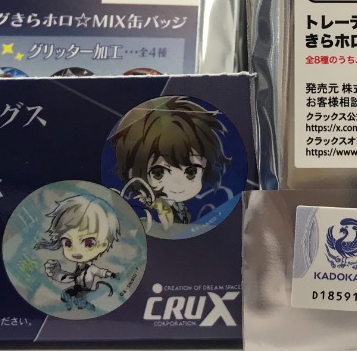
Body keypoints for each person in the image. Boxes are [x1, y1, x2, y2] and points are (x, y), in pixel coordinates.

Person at [111, 96, 230, 230]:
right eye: (158, 173)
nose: (177, 183)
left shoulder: (181, 208)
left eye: (191, 172)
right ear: (133, 173)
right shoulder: (142, 212)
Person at [35, 193, 120, 312]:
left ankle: (86, 306)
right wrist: (56, 273)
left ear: (103, 245)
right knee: (66, 294)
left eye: (89, 243)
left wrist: (112, 275)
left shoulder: (91, 269)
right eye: (68, 242)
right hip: (77, 288)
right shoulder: (78, 268)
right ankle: (69, 308)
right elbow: (69, 277)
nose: (76, 250)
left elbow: (100, 272)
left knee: (79, 300)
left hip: (85, 291)